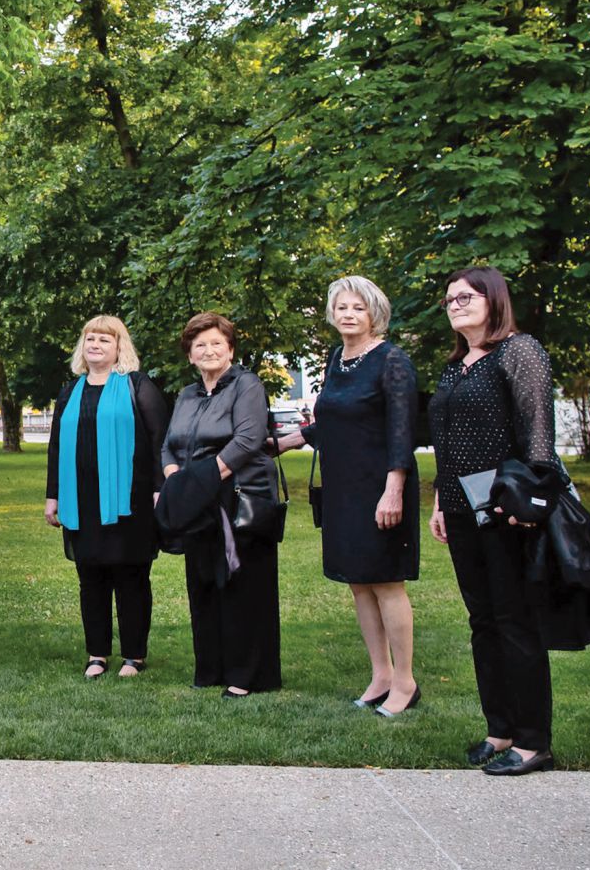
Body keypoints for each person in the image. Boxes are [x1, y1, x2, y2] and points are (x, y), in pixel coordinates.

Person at [428, 266, 562, 775]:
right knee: (483, 623)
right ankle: (499, 729)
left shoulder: (519, 352)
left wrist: (526, 501)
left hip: (506, 510)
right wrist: (440, 499)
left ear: (494, 299)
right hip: (461, 510)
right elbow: (445, 443)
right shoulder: (455, 364)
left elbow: (537, 437)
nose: (456, 304)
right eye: (449, 300)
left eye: (466, 296)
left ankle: (533, 743)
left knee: (514, 622)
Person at [276, 277, 421, 717]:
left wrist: (392, 490)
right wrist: (293, 438)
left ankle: (406, 682)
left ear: (374, 312)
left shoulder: (392, 361)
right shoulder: (337, 358)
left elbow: (402, 432)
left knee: (385, 581)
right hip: (343, 488)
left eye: (358, 307)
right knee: (359, 583)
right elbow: (338, 421)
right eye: (341, 307)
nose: (348, 314)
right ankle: (380, 675)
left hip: (380, 487)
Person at [162, 312, 282, 697]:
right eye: (200, 345)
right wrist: (174, 477)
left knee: (242, 584)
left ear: (230, 349)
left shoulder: (247, 385)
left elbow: (248, 440)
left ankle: (245, 676)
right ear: (190, 356)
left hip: (240, 496)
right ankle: (210, 668)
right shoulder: (186, 394)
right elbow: (169, 444)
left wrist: (198, 480)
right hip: (199, 500)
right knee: (202, 582)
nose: (209, 350)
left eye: (217, 343)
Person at [45, 316, 170, 679]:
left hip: (129, 500)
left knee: (131, 577)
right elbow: (56, 447)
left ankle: (134, 656)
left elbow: (160, 438)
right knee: (91, 579)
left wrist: (160, 487)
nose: (96, 345)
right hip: (80, 501)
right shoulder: (70, 391)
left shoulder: (137, 386)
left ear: (119, 347)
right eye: (90, 339)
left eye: (104, 339)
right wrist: (52, 496)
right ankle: (96, 654)